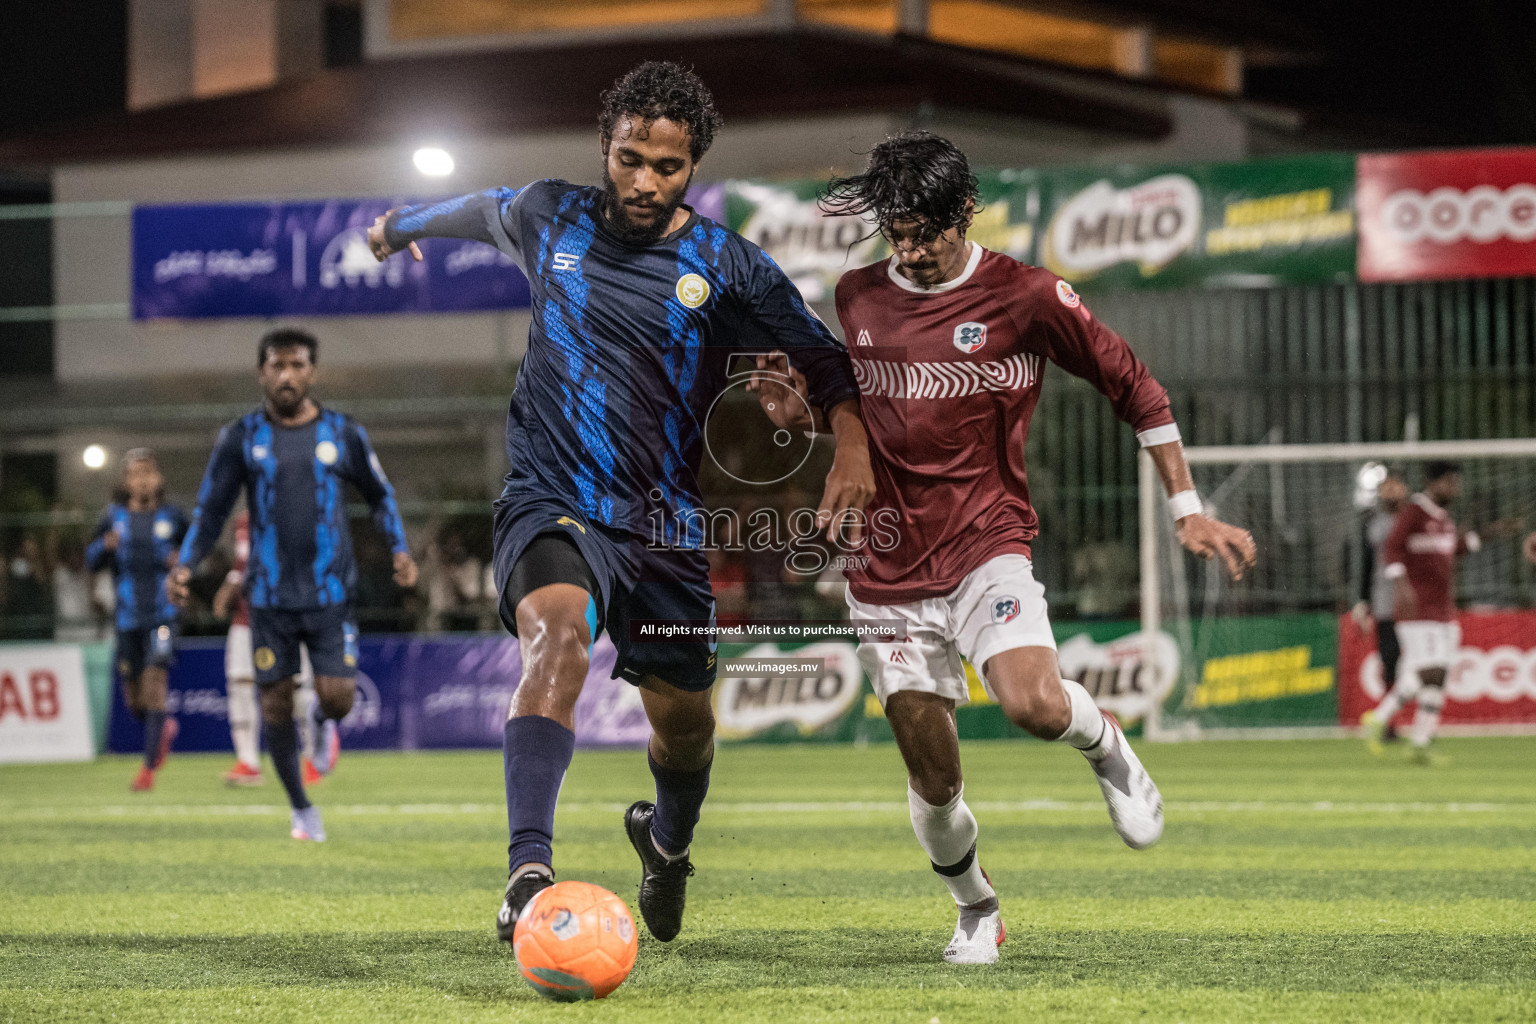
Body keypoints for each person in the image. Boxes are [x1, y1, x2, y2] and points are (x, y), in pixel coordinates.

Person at [367, 61, 872, 944]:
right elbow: (472, 211)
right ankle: (529, 877)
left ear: (694, 169)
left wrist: (850, 446)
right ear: (606, 148)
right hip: (551, 495)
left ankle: (666, 844)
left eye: (666, 167)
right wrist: (395, 226)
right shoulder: (549, 214)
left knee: (686, 733)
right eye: (629, 158)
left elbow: (824, 359)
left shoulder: (725, 265)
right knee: (555, 639)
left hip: (664, 526)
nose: (643, 180)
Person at [752, 131, 1256, 964]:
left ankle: (1110, 749)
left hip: (989, 541)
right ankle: (977, 908)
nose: (909, 250)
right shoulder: (856, 296)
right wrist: (794, 416)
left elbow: (1136, 387)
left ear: (962, 214)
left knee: (1034, 705)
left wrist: (1186, 507)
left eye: (924, 231)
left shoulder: (1026, 296)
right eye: (895, 232)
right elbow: (855, 413)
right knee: (935, 780)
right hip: (884, 565)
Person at [169, 328, 418, 840]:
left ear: (312, 372)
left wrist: (399, 549)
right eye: (277, 366)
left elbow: (380, 495)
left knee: (338, 700)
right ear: (262, 372)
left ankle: (323, 722)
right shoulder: (241, 436)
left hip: (330, 597)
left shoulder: (343, 433)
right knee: (275, 705)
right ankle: (302, 808)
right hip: (268, 599)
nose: (287, 375)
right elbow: (212, 508)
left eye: (298, 365)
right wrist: (187, 565)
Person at [1361, 461, 1478, 764]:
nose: (1454, 488)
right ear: (1433, 482)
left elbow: (1452, 549)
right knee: (1433, 673)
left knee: (1427, 673)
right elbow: (1393, 547)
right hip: (1417, 609)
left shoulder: (1444, 518)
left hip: (1443, 609)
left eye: (1456, 483)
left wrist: (1486, 535)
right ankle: (1418, 739)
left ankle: (1387, 722)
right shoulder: (1412, 511)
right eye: (1449, 482)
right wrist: (1400, 585)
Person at [85, 449, 188, 791]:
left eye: (149, 472)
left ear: (158, 479)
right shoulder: (112, 518)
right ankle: (163, 729)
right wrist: (103, 548)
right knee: (134, 699)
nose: (143, 479)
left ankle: (147, 771)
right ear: (126, 481)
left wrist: (184, 563)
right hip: (127, 617)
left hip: (163, 615)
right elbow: (90, 559)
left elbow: (198, 552)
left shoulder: (173, 517)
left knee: (155, 685)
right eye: (135, 473)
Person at [1353, 470, 1408, 738]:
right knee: (1390, 661)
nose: (1391, 492)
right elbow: (1366, 564)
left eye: (1396, 486)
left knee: (1419, 665)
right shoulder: (1374, 525)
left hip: (1415, 606)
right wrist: (1363, 601)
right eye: (1387, 487)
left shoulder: (1414, 521)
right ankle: (1389, 723)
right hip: (1385, 603)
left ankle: (1420, 721)